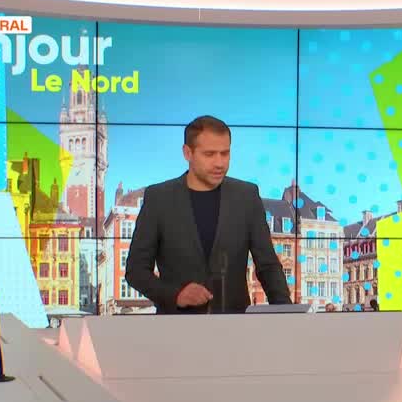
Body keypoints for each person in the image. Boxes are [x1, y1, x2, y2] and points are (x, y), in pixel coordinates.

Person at [125, 115, 292, 314]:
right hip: (176, 326)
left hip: (235, 325)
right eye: (210, 154)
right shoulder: (159, 198)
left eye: (225, 153)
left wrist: (287, 316)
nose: (220, 163)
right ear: (187, 153)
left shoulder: (247, 196)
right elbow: (135, 270)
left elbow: (268, 266)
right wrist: (175, 295)